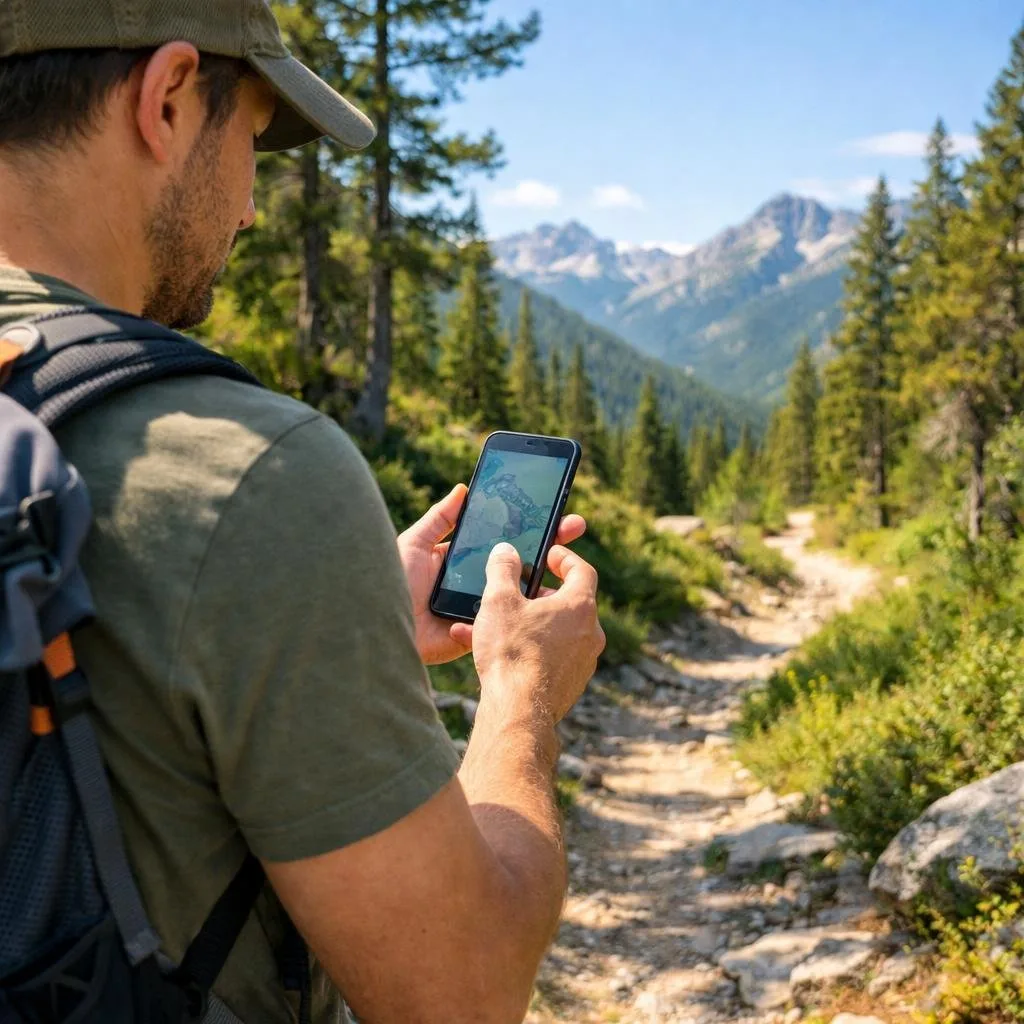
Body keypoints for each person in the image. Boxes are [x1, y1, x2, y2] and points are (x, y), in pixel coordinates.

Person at [0, 2, 605, 1022]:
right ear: (169, 98)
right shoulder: (248, 470)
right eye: (253, 136)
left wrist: (334, 623)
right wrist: (522, 690)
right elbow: (460, 992)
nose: (247, 211)